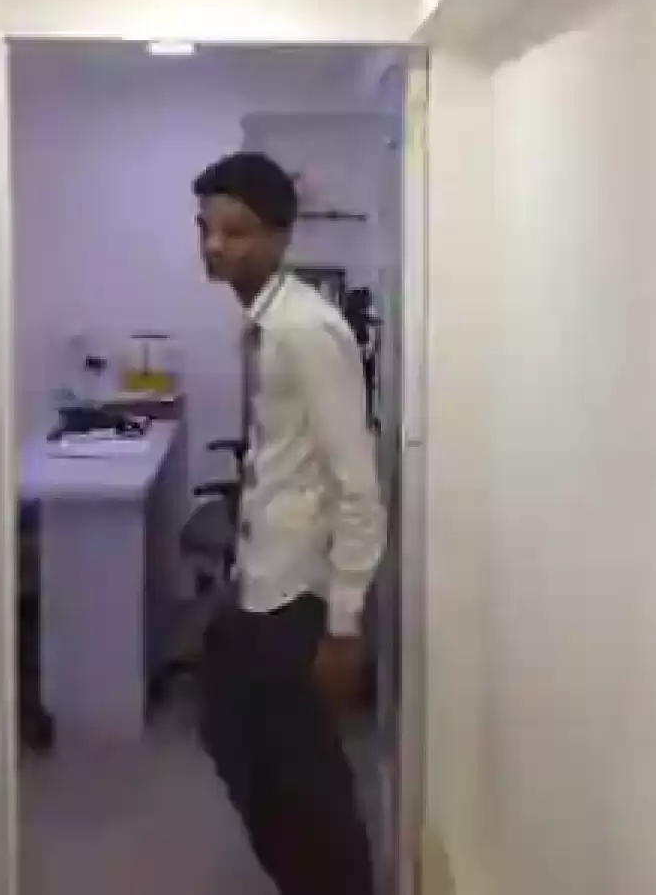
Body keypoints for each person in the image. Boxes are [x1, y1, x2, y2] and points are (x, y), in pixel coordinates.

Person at [192, 151, 386, 895]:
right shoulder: (266, 322)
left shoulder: (307, 330)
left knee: (307, 784)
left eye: (236, 231)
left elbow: (358, 485)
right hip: (260, 577)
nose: (216, 246)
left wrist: (344, 624)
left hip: (297, 594)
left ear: (279, 236)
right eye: (206, 229)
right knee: (237, 737)